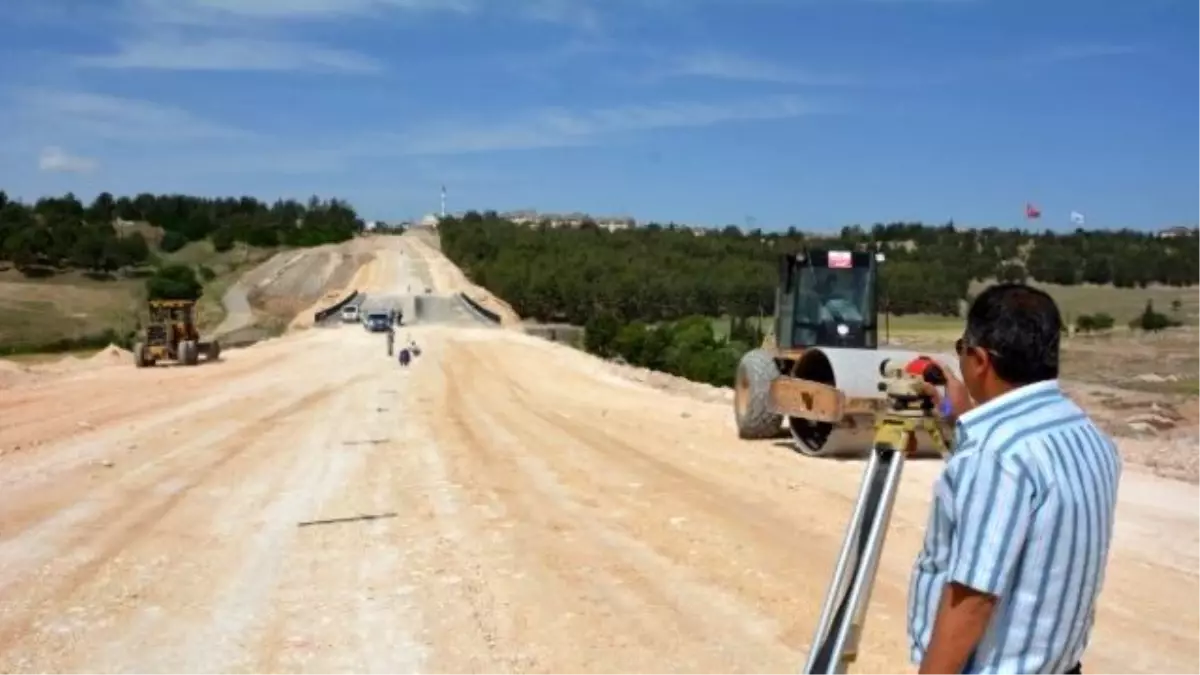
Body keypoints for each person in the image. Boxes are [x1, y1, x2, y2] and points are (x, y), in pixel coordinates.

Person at [908, 283, 1122, 675]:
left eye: (962, 350)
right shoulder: (1087, 435)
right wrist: (965, 417)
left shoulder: (996, 456)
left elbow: (972, 600)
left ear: (978, 359)